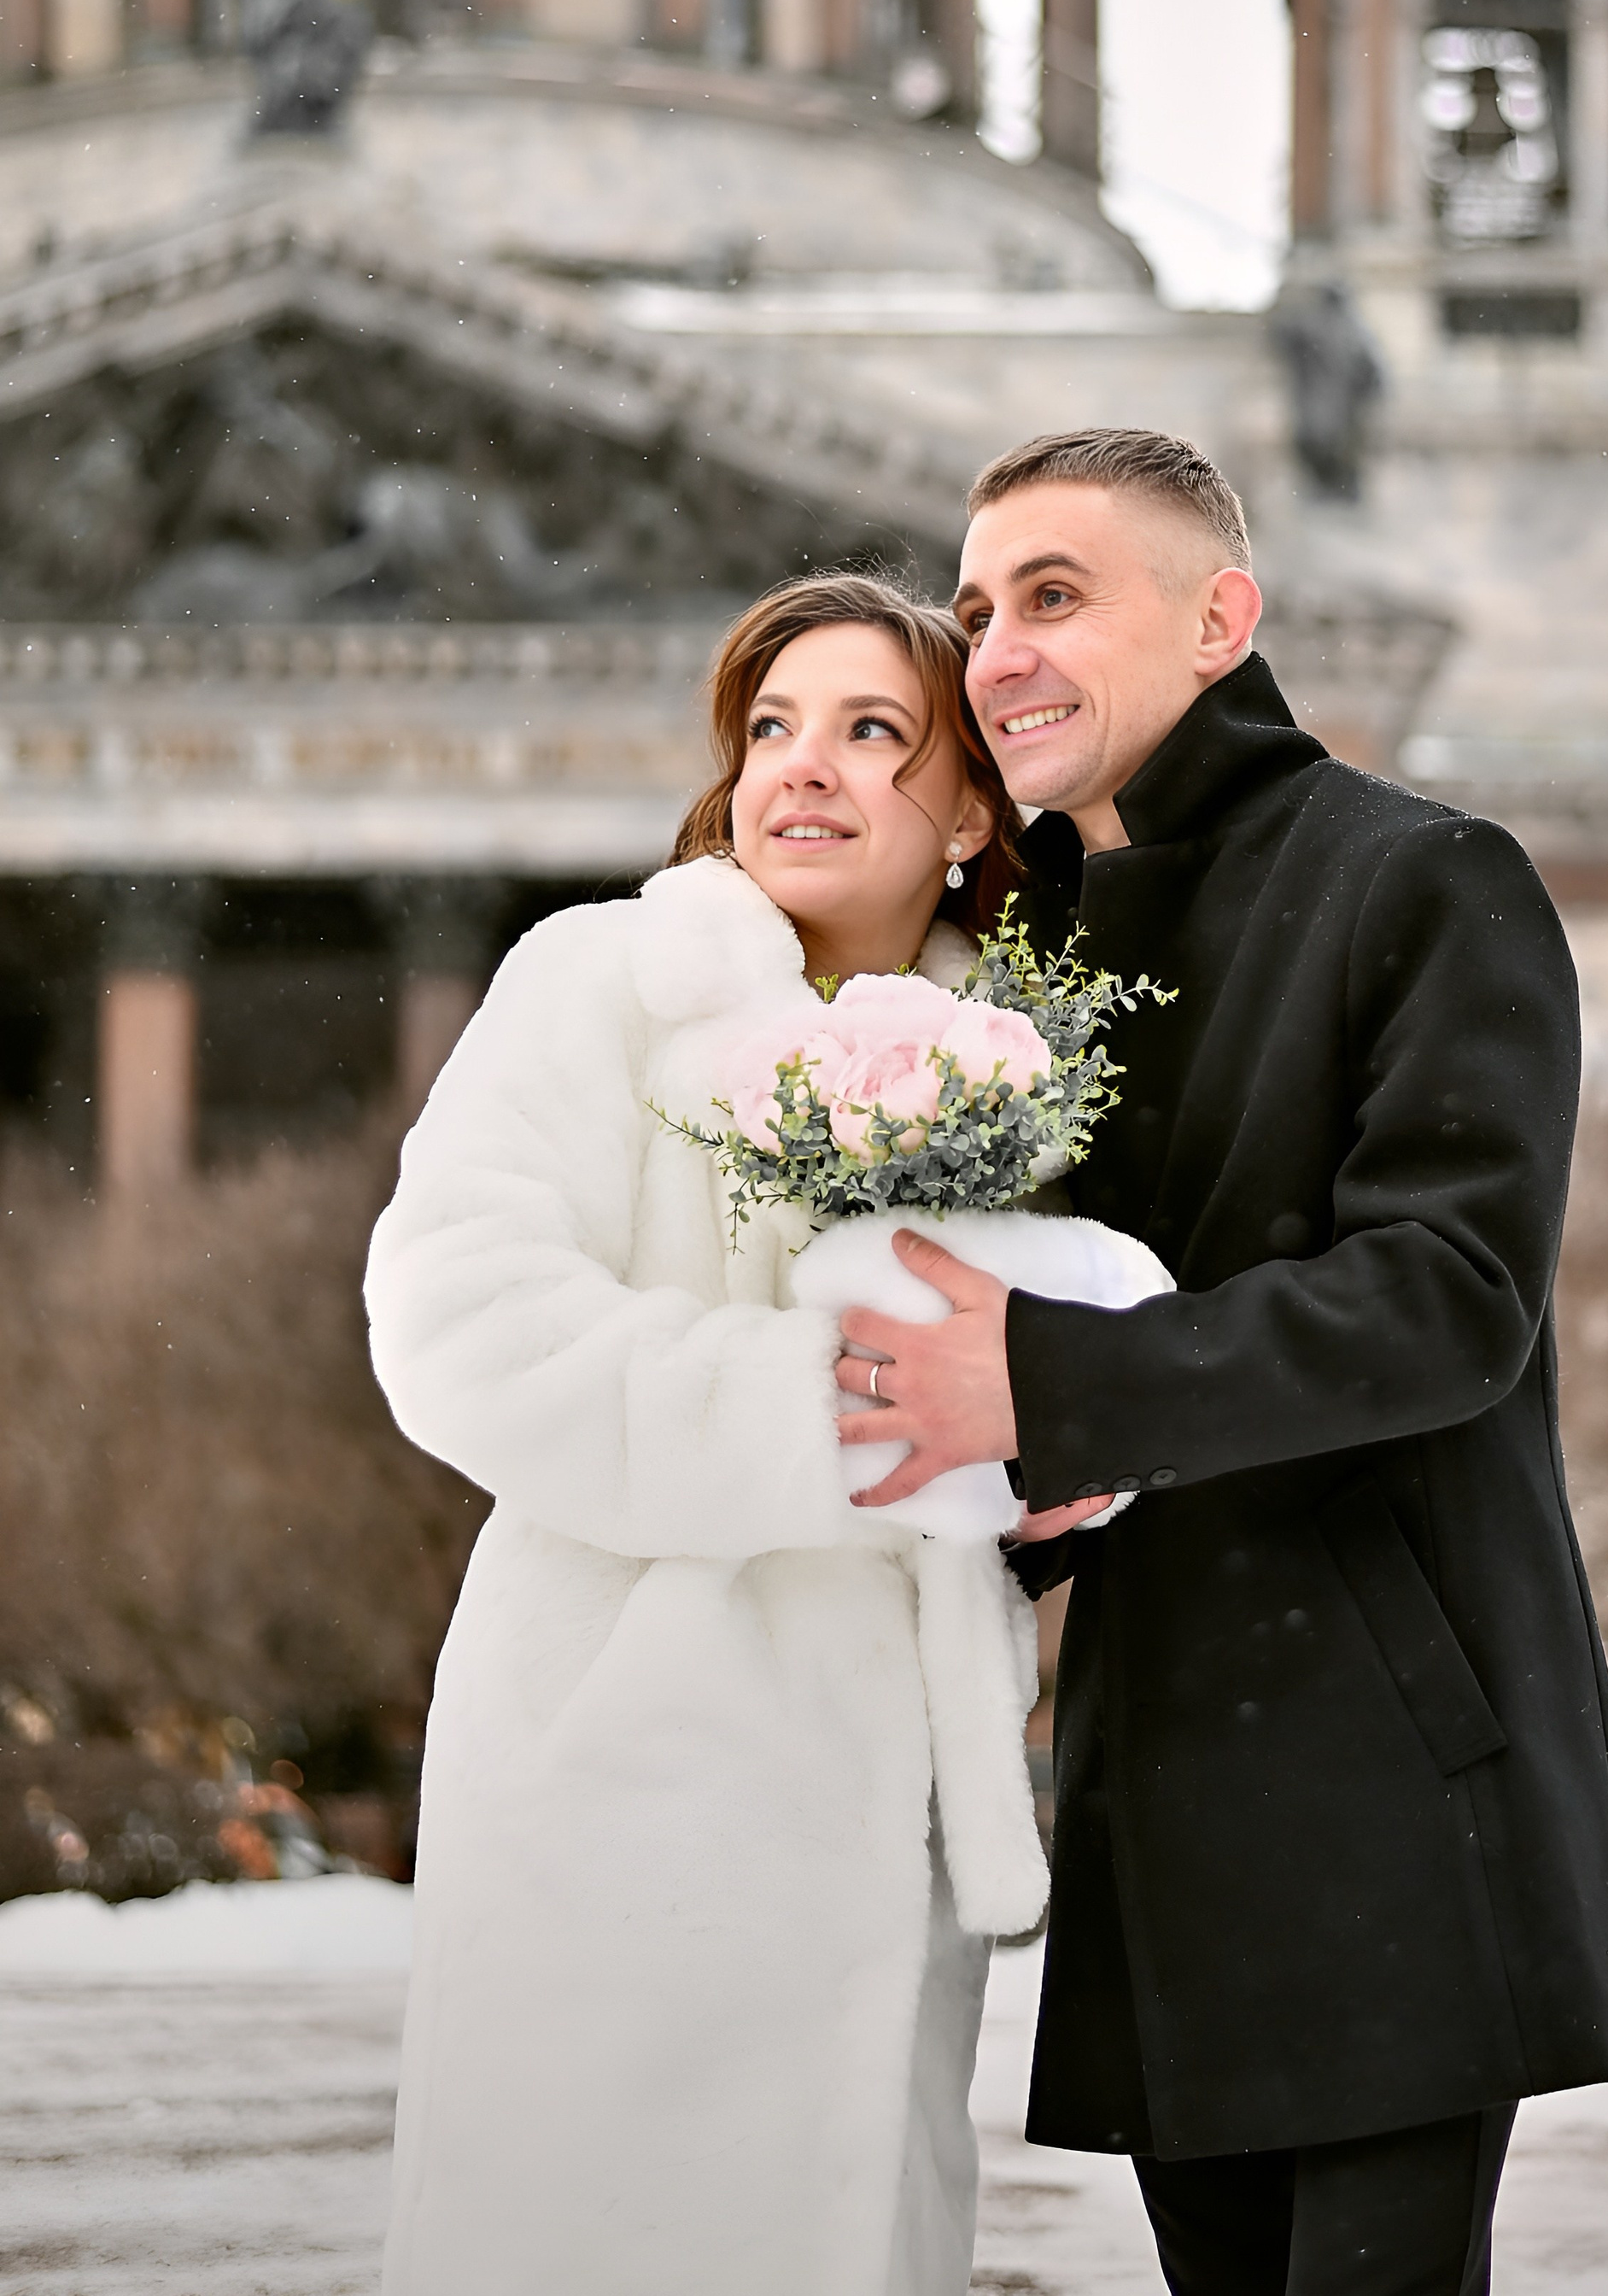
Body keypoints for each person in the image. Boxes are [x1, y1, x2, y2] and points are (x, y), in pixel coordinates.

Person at [836, 429, 1608, 2296]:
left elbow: (1448, 1302)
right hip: (1163, 1788)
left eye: (1055, 596)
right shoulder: (1023, 955)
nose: (998, 652)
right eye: (974, 614)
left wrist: (1042, 1390)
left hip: (1389, 1766)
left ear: (1221, 619)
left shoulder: (1424, 879)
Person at [364, 574, 1053, 2296]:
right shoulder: (597, 984)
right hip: (617, 1760)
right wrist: (861, 1426)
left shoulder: (1025, 1061)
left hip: (889, 1816)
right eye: (769, 728)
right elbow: (461, 1330)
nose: (800, 769)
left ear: (967, 803)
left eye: (870, 731)